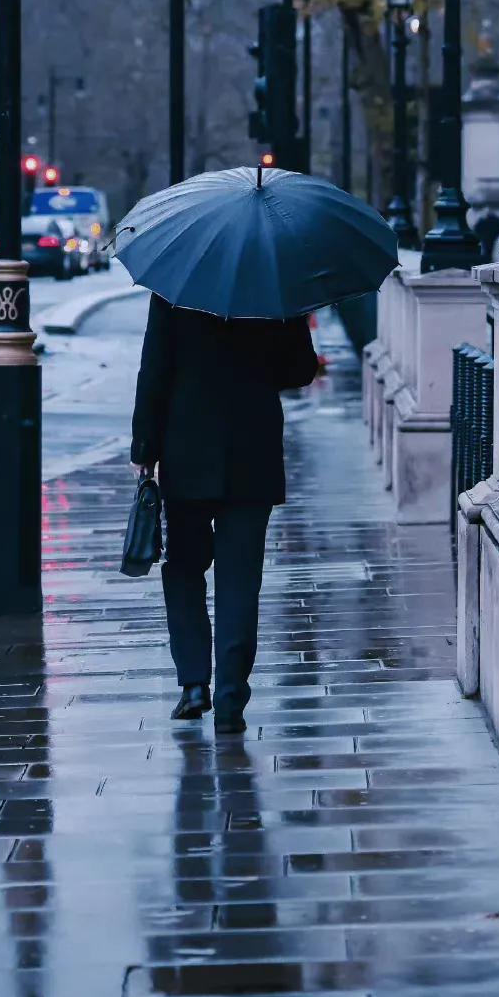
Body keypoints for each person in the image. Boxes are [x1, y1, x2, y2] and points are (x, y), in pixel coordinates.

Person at [131, 294, 319, 736]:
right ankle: (231, 698)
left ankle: (195, 683)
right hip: (252, 452)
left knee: (183, 568)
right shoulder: (275, 288)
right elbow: (300, 371)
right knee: (240, 580)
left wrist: (145, 447)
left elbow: (154, 369)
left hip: (187, 448)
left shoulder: (175, 289)